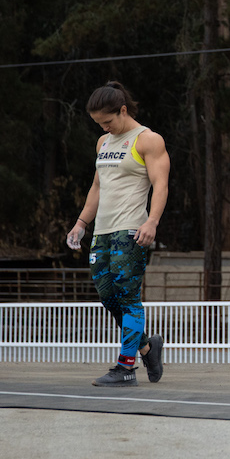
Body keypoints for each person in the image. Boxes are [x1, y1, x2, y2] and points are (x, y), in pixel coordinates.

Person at [66, 82, 169, 387]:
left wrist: (152, 222)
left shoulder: (148, 140)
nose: (104, 127)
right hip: (103, 231)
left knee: (128, 296)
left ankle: (126, 368)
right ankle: (147, 348)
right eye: (99, 123)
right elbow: (98, 187)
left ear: (123, 110)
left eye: (108, 121)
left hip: (131, 229)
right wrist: (82, 222)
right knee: (107, 295)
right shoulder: (103, 143)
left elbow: (161, 185)